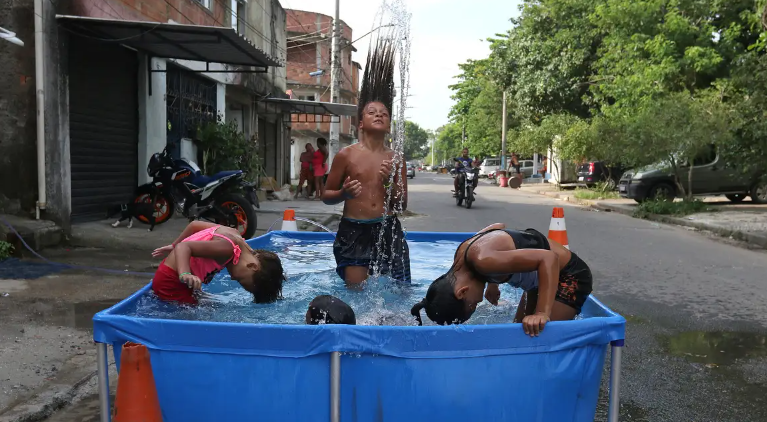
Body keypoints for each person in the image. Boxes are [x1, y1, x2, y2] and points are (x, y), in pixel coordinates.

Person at [322, 36, 411, 286]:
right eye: (372, 112)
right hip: (354, 229)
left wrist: (387, 184)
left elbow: (401, 204)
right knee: (357, 293)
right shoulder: (346, 155)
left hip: (388, 228)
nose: (379, 115)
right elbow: (326, 195)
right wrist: (343, 193)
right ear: (361, 123)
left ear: (389, 123)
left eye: (384, 113)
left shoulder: (396, 159)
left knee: (400, 290)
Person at [410, 223, 593, 337]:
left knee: (538, 337)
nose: (479, 301)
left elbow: (549, 259)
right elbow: (496, 227)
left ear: (462, 291)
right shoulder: (462, 254)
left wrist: (542, 312)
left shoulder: (483, 261)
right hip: (539, 281)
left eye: (472, 305)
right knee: (519, 335)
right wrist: (493, 282)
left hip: (569, 276)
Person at [151, 221, 285, 305]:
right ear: (252, 266)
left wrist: (174, 245)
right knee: (198, 314)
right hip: (170, 282)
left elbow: (194, 225)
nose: (232, 278)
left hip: (177, 279)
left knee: (211, 302)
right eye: (240, 280)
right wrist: (185, 273)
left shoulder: (234, 234)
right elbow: (184, 247)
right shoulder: (227, 248)